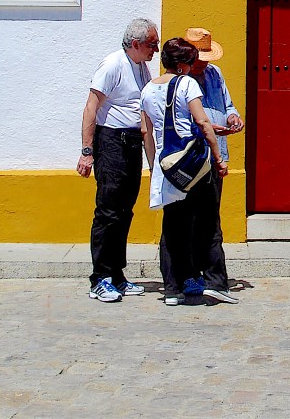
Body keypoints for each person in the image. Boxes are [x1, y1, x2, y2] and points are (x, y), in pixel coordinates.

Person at [141, 37, 238, 305]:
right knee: (208, 222)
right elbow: (203, 123)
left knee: (173, 225)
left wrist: (153, 165)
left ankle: (173, 287)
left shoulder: (148, 89)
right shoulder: (186, 83)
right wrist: (218, 158)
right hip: (194, 165)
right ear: (183, 63)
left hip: (167, 166)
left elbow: (145, 132)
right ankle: (215, 282)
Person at [77, 17, 159, 302]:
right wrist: (87, 151)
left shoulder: (141, 67)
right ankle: (99, 277)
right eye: (152, 44)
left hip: (132, 143)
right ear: (135, 44)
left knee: (125, 211)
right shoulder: (113, 65)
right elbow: (91, 108)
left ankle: (117, 274)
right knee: (108, 212)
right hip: (111, 143)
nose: (156, 50)